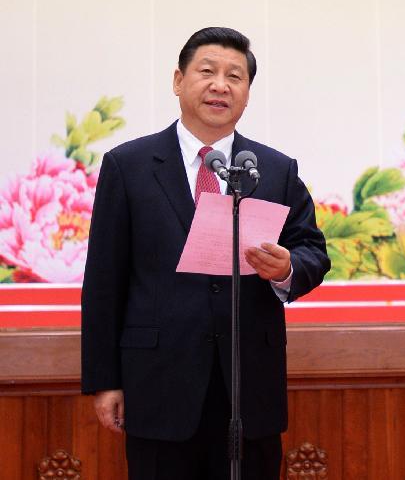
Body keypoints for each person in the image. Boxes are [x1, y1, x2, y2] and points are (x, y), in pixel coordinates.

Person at [81, 27, 330, 480]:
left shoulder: (274, 169)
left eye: (235, 76)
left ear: (248, 93)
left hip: (247, 384)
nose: (221, 85)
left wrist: (287, 268)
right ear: (178, 80)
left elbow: (312, 249)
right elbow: (104, 282)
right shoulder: (129, 166)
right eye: (207, 72)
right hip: (159, 382)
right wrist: (105, 380)